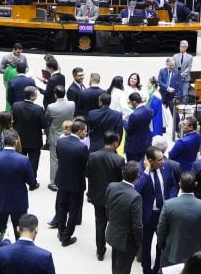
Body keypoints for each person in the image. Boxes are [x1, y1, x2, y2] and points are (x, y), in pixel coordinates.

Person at [136, 146, 178, 274]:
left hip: (163, 213)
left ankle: (156, 271)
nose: (163, 162)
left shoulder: (166, 166)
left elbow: (173, 185)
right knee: (146, 245)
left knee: (162, 244)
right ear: (149, 161)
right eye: (159, 160)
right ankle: (147, 273)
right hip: (148, 215)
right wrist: (147, 171)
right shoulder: (139, 170)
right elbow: (136, 190)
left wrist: (171, 201)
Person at [0, 129, 39, 238]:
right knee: (21, 232)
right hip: (18, 202)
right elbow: (32, 182)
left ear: (2, 141)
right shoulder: (23, 160)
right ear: (16, 141)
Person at [87, 131, 126, 261]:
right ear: (115, 143)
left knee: (100, 223)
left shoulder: (92, 156)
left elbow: (87, 173)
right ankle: (115, 247)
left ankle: (100, 250)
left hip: (97, 195)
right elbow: (122, 180)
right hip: (113, 198)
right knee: (114, 223)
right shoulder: (119, 160)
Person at [53, 119, 90, 247]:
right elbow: (86, 167)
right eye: (85, 131)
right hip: (76, 183)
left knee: (62, 207)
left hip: (62, 180)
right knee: (74, 210)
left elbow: (59, 158)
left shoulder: (61, 141)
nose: (86, 133)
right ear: (79, 132)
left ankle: (61, 232)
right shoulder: (82, 147)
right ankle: (67, 237)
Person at [44, 86, 76, 190]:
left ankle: (53, 183)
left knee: (54, 159)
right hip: (70, 134)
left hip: (56, 136)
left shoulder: (51, 107)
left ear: (55, 95)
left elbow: (47, 120)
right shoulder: (72, 104)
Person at [12, 86, 45, 178]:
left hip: (20, 139)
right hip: (34, 141)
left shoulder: (16, 105)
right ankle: (32, 182)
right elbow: (43, 125)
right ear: (32, 96)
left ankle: (19, 178)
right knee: (33, 162)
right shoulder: (38, 109)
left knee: (19, 161)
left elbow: (12, 120)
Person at [124, 92, 154, 163]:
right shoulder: (149, 110)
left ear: (134, 102)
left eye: (130, 102)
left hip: (134, 146)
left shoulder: (134, 115)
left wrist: (124, 121)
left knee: (132, 166)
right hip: (145, 143)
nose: (130, 104)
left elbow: (128, 129)